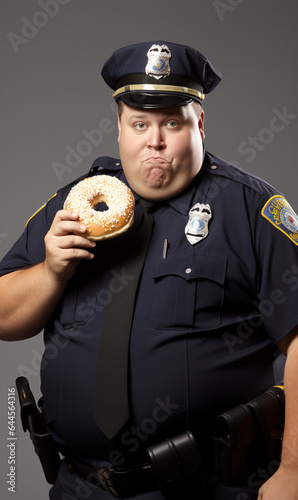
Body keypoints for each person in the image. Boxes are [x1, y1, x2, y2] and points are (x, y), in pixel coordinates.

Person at [1, 40, 298, 500]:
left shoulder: (252, 210)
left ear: (200, 124)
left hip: (208, 487)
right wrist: (51, 272)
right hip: (80, 486)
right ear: (119, 128)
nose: (154, 141)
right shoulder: (73, 206)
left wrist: (295, 470)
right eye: (139, 123)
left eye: (171, 124)